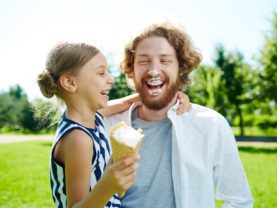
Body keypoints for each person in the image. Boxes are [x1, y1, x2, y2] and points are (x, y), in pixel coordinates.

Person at [104, 22, 254, 208]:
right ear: (131, 70)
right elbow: (74, 115)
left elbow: (239, 200)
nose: (153, 71)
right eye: (143, 61)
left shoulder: (211, 124)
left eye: (165, 60)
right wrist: (130, 100)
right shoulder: (108, 125)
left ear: (181, 68)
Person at [37, 42, 191, 208]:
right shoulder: (78, 139)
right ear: (70, 82)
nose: (110, 79)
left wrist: (170, 94)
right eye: (101, 73)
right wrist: (108, 186)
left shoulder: (92, 117)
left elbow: (128, 102)